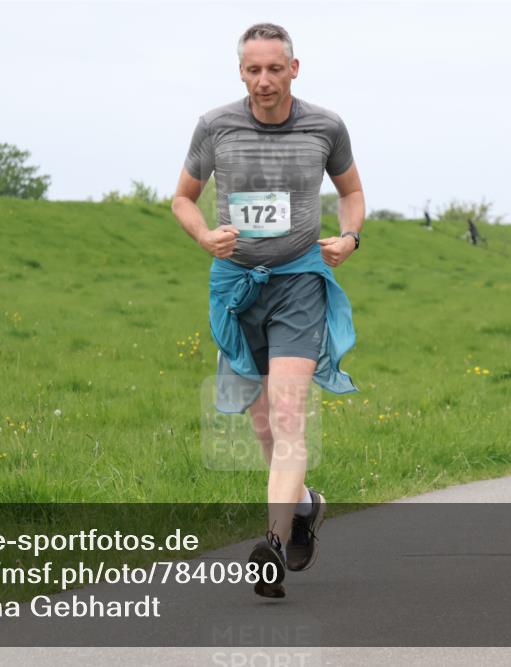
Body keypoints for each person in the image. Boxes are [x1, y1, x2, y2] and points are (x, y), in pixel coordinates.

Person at [171, 23, 364, 597]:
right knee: (263, 424)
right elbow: (182, 197)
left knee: (287, 414)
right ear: (241, 72)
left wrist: (349, 238)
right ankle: (304, 505)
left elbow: (352, 193)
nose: (264, 81)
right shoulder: (215, 126)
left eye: (274, 69)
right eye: (253, 70)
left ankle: (273, 545)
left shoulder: (325, 126)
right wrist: (205, 235)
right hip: (237, 285)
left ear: (294, 69)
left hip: (301, 278)